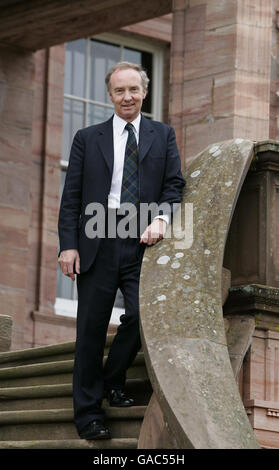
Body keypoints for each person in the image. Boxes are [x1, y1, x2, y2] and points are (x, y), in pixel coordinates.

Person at [58, 61, 185, 440]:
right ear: (109, 95)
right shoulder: (87, 137)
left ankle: (113, 379)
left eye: (133, 89)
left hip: (144, 241)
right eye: (119, 91)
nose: (127, 96)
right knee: (90, 330)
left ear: (144, 92)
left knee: (142, 315)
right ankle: (88, 415)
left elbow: (174, 186)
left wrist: (162, 219)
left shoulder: (163, 135)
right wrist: (68, 246)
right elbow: (72, 199)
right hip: (97, 240)